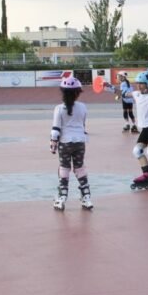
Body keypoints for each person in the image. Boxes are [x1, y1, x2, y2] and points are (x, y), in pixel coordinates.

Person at [49, 77, 93, 210]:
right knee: (80, 168)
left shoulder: (58, 108)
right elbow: (83, 124)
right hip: (80, 142)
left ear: (63, 92)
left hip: (65, 143)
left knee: (64, 168)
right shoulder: (83, 107)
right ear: (77, 93)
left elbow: (56, 128)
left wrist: (53, 142)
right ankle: (86, 197)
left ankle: (62, 198)